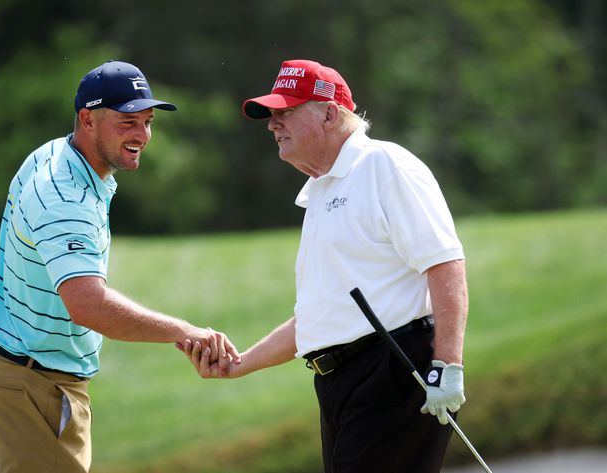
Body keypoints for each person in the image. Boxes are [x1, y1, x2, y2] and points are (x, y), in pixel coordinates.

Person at [0, 60, 240, 473]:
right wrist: (185, 332)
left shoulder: (60, 155)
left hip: (33, 381)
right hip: (33, 386)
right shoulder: (63, 194)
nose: (142, 135)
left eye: (147, 121)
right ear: (87, 119)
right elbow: (88, 305)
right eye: (127, 122)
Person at [179, 59, 468, 473]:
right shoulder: (320, 191)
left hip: (395, 369)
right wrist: (241, 364)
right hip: (339, 382)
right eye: (272, 115)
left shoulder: (383, 166)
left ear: (330, 113)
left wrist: (448, 366)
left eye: (286, 112)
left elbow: (445, 265)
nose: (272, 124)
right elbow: (318, 317)